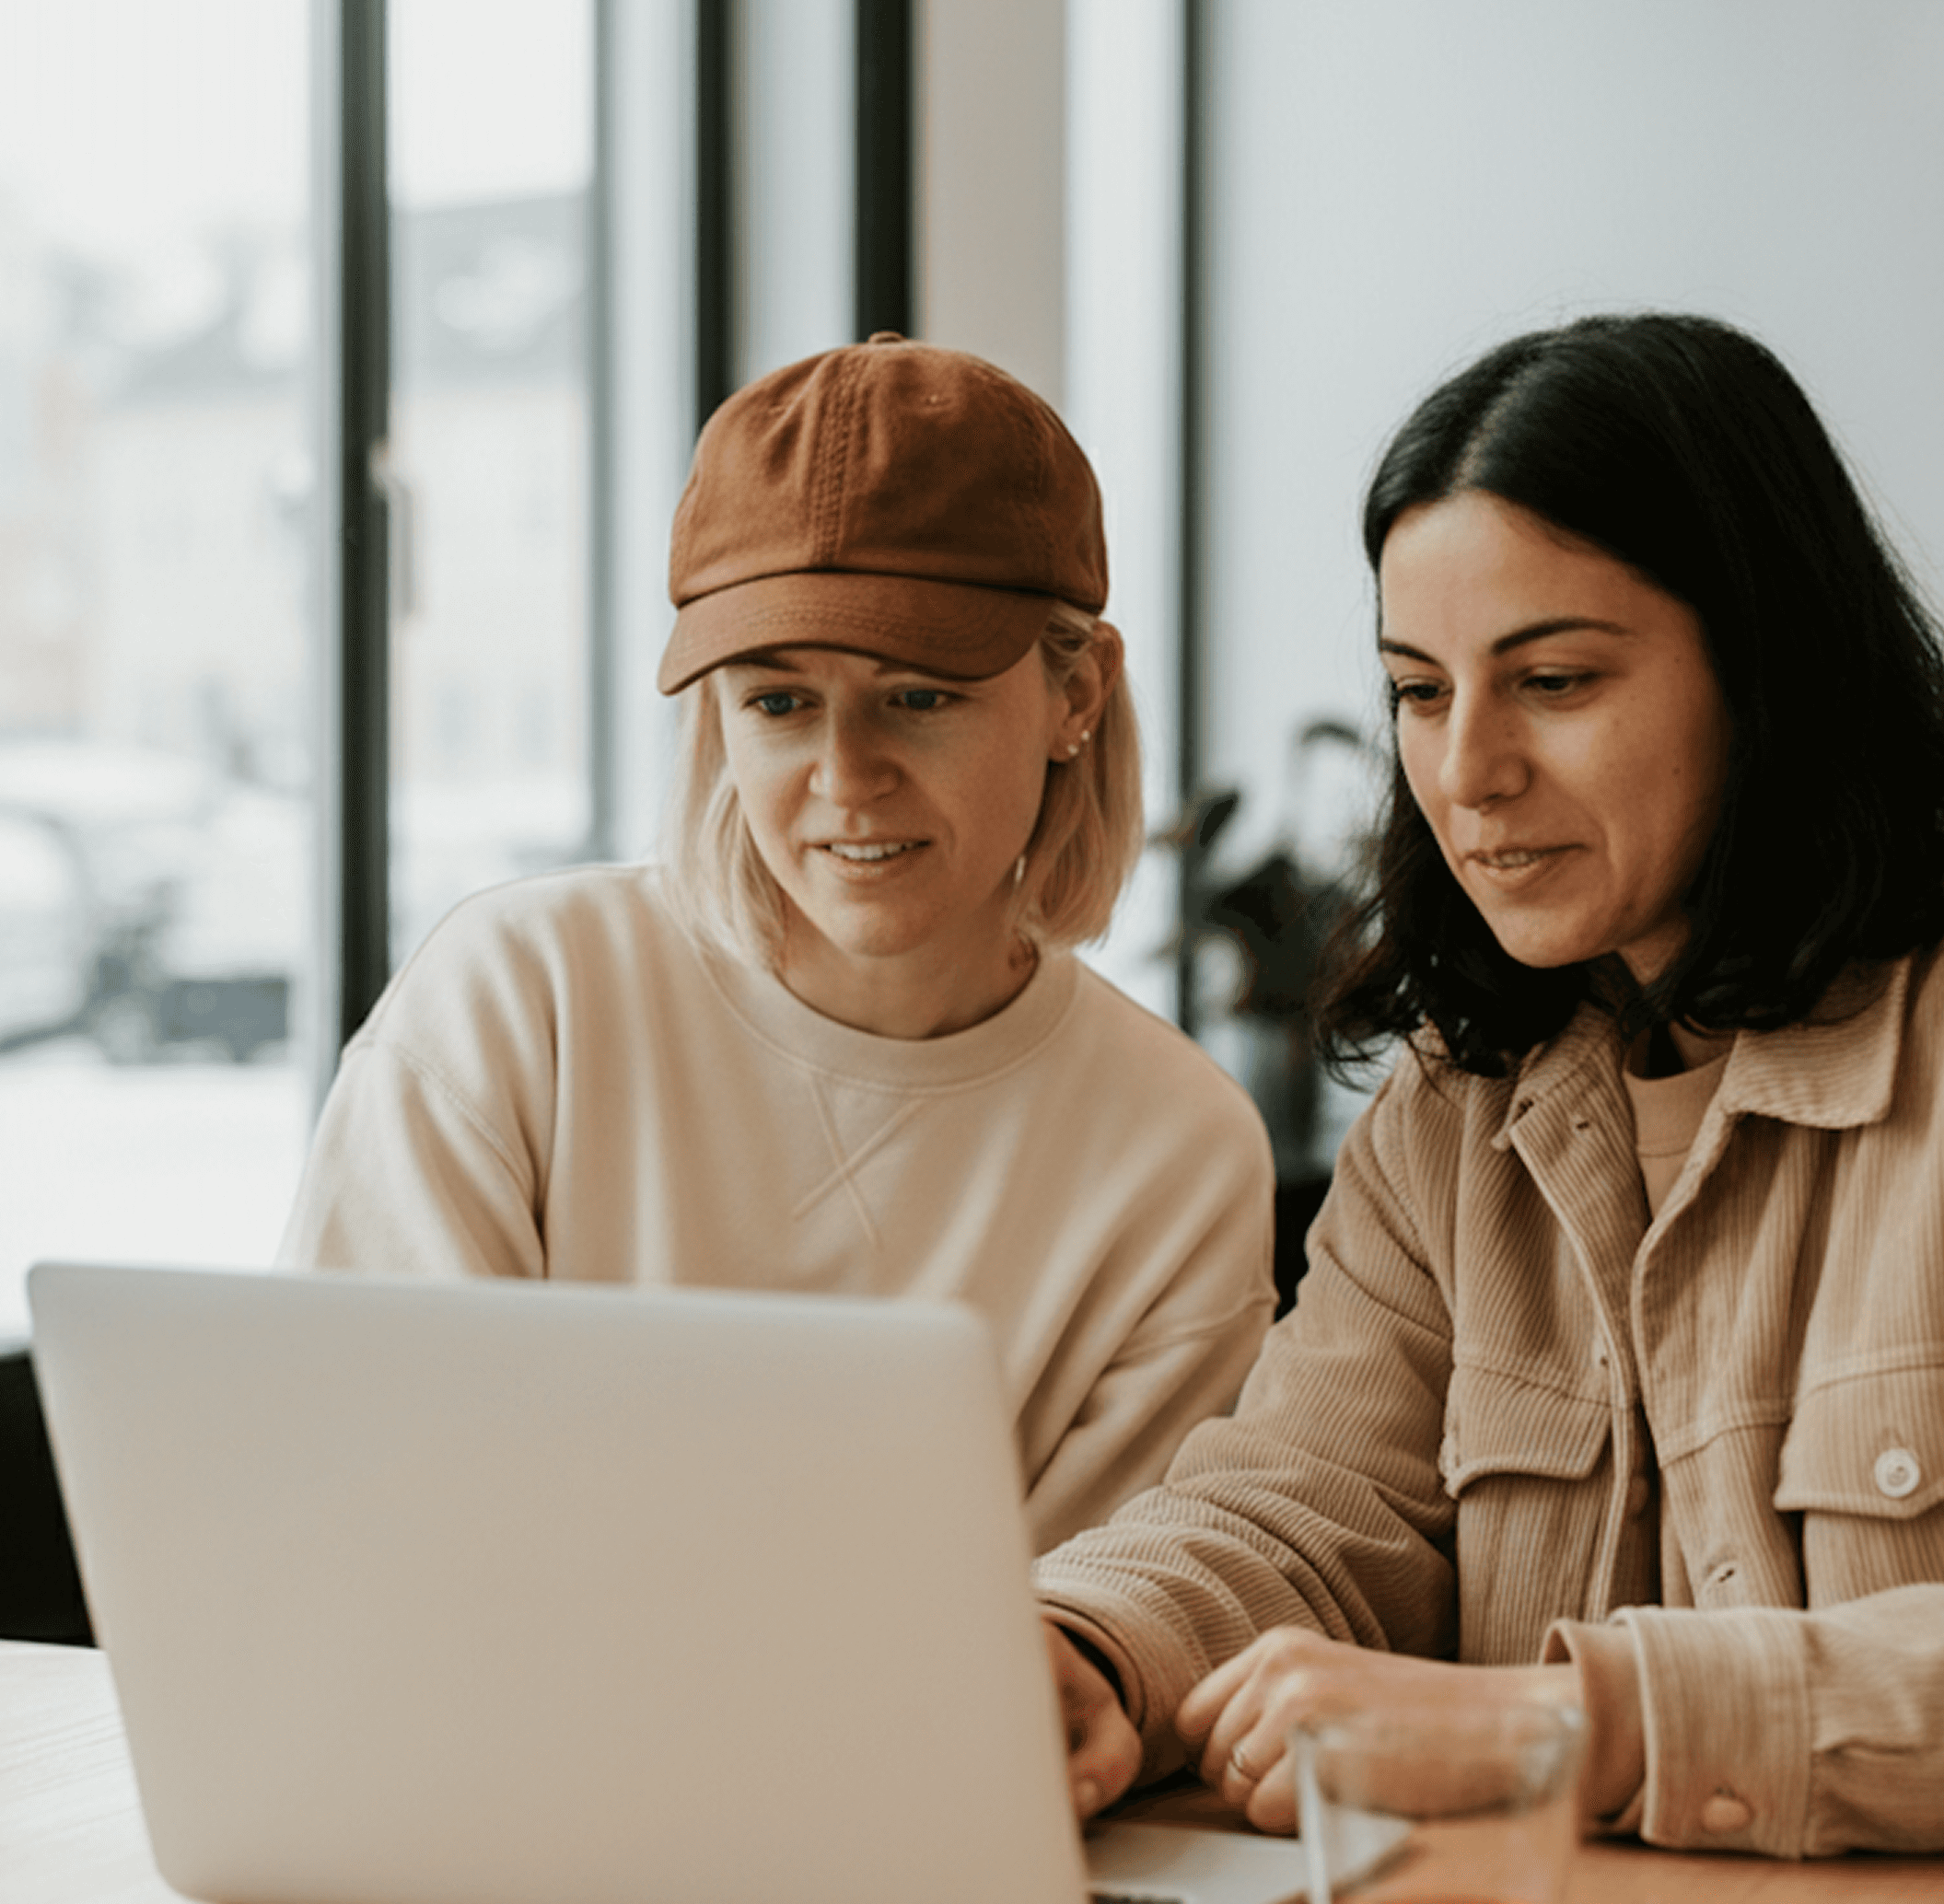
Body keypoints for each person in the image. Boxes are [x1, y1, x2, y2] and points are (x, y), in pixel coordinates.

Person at [1036, 314, 1944, 1899]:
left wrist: (1589, 1725)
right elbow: (1302, 1505)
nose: (1466, 770)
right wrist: (1090, 1651)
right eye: (1417, 690)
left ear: (1766, 673)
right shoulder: (1456, 1111)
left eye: (1552, 680)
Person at [279, 335, 1278, 1552]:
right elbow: (352, 1513)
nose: (845, 778)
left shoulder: (1176, 1154)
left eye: (919, 695)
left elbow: (1063, 1657)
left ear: (1077, 694)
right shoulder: (519, 1004)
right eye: (778, 701)